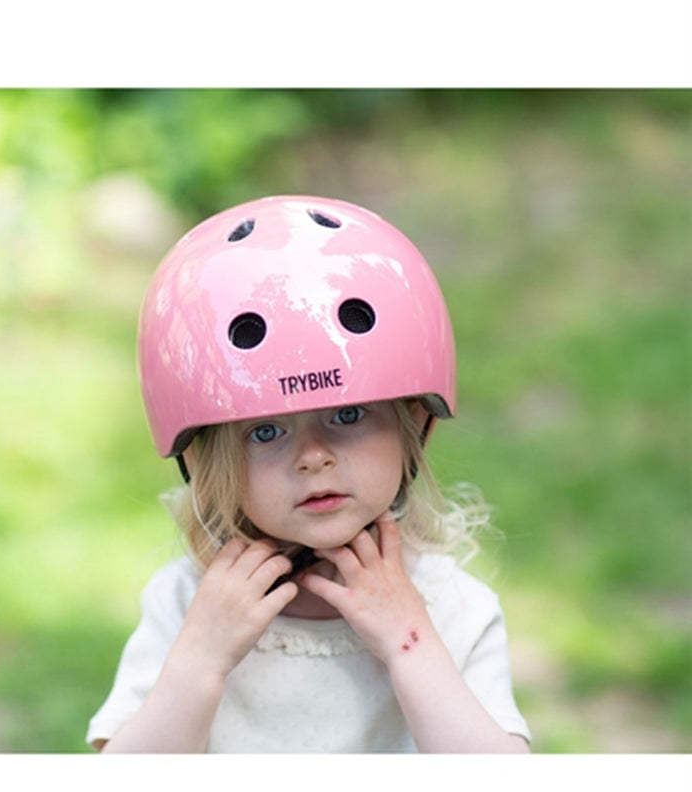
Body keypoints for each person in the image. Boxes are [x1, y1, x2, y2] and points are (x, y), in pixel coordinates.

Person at [87, 195, 530, 753]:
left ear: (415, 423)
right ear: (201, 460)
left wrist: (409, 644)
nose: (313, 456)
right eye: (266, 431)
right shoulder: (186, 604)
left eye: (348, 415)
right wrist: (200, 659)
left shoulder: (452, 607)